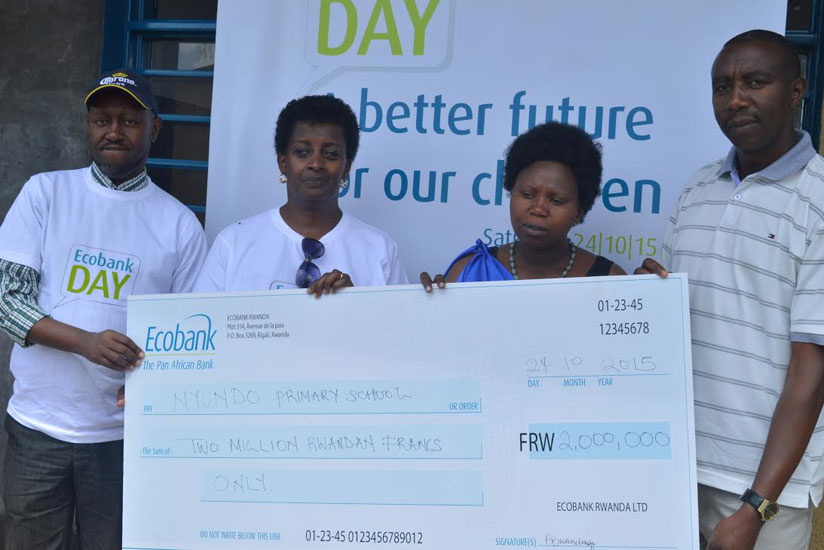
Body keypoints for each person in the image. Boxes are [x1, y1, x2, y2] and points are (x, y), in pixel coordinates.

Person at [0, 70, 207, 549]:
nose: (114, 130)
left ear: (155, 128)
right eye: (102, 119)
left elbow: (192, 334)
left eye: (130, 120)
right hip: (38, 427)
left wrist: (155, 390)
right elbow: (8, 302)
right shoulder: (45, 193)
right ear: (88, 126)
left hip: (123, 438)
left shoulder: (179, 224)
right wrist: (85, 343)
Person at [635, 30, 824, 550]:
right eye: (722, 86)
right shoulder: (698, 187)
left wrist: (756, 507)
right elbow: (672, 319)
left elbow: (812, 368)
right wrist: (646, 300)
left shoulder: (819, 198)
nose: (735, 98)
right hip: (673, 472)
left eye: (755, 82)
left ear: (796, 90)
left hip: (759, 496)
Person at [194, 94, 408, 294]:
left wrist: (357, 305)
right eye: (303, 152)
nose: (316, 164)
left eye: (331, 154)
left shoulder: (379, 250)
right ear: (283, 163)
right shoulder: (234, 243)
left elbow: (397, 331)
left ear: (346, 167)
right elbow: (201, 326)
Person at [422, 121, 624, 289]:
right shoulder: (470, 271)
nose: (538, 209)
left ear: (580, 211)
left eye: (556, 200)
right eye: (527, 194)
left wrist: (651, 292)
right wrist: (426, 305)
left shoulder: (611, 281)